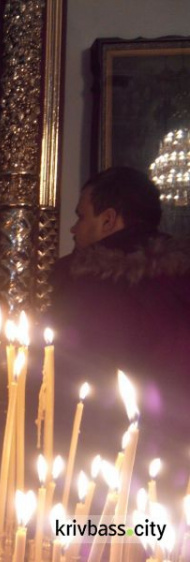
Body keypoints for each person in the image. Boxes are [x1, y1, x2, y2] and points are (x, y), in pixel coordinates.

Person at [49, 166, 190, 474]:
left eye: (81, 216)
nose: (74, 229)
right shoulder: (182, 281)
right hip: (178, 462)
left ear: (109, 219)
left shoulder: (80, 285)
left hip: (98, 462)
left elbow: (58, 382)